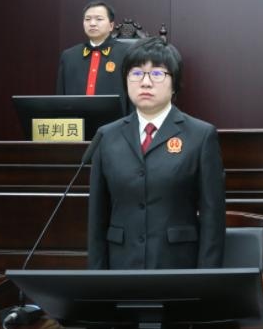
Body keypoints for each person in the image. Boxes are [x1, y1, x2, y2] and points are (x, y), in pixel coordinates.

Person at [87, 37, 226, 269]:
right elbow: (97, 219)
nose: (146, 82)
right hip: (121, 269)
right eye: (136, 73)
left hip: (178, 268)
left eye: (157, 74)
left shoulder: (200, 136)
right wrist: (97, 280)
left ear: (175, 83)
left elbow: (213, 218)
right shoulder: (106, 136)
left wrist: (206, 280)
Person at [56, 0, 130, 115]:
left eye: (99, 19)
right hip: (77, 122)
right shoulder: (69, 56)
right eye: (87, 19)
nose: (92, 23)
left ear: (111, 26)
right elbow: (60, 97)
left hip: (116, 121)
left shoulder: (127, 53)